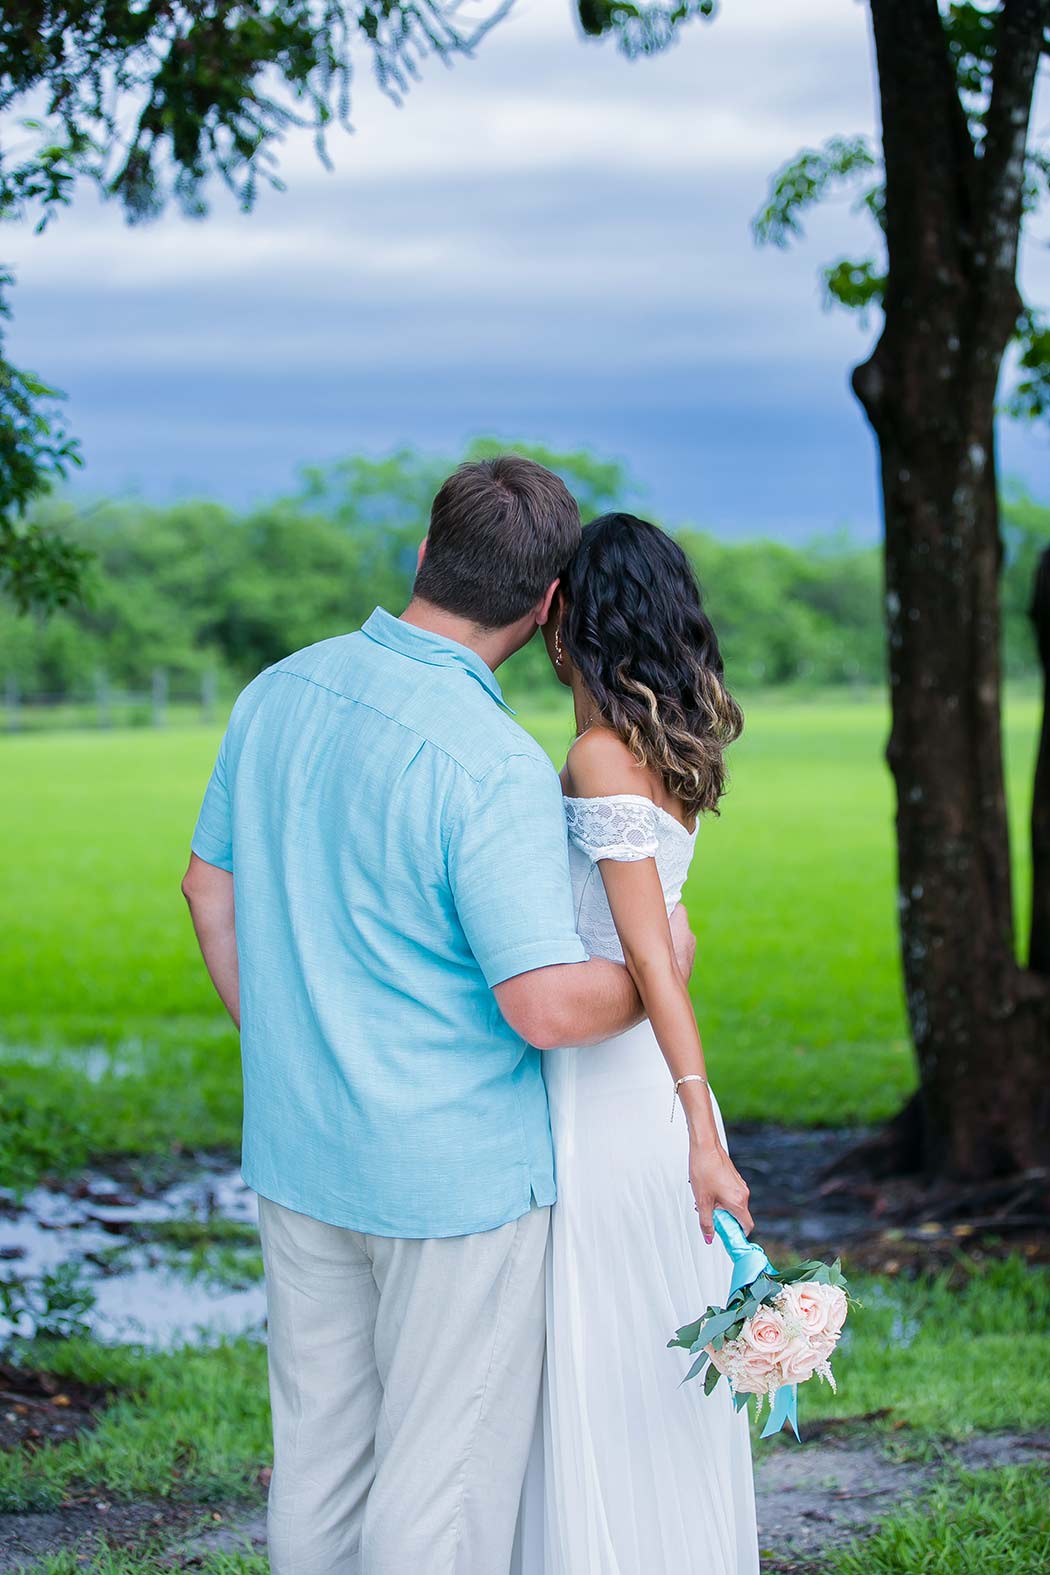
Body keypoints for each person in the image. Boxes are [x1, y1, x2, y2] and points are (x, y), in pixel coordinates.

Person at [180, 456, 699, 1575]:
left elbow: (206, 890)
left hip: (297, 1143)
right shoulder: (494, 762)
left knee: (320, 1454)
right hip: (451, 1180)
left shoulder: (275, 690)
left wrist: (289, 1039)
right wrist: (663, 972)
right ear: (549, 602)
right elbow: (550, 1008)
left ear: (423, 555)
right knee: (443, 1480)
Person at [512, 512, 759, 1575]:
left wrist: (704, 1129)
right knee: (629, 1321)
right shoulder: (663, 745)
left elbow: (656, 961)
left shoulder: (600, 754)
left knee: (601, 1328)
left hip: (611, 1086)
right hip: (621, 1068)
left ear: (571, 614)